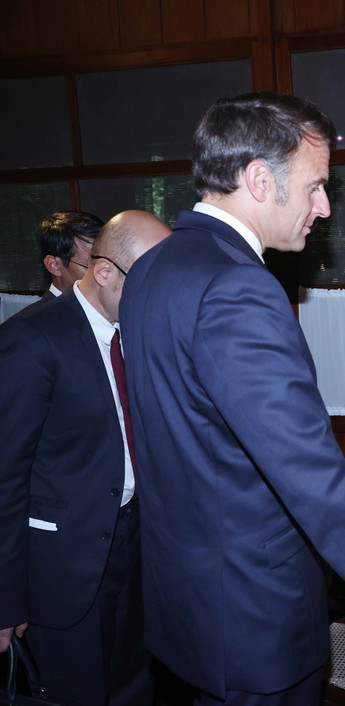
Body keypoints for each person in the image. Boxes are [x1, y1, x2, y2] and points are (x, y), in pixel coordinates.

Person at [118, 92, 345, 706]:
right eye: (315, 186)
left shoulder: (153, 267)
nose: (324, 207)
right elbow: (314, 478)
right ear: (258, 179)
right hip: (255, 619)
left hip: (185, 607)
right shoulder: (237, 288)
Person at [0, 210, 172, 706]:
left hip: (135, 546)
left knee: (134, 686)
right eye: (151, 280)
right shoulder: (31, 340)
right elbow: (6, 479)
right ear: (103, 273)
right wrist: (6, 600)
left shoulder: (139, 333)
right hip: (62, 567)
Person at [11, 210, 103, 319]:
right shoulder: (31, 328)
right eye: (91, 266)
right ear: (54, 265)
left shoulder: (118, 311)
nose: (105, 274)